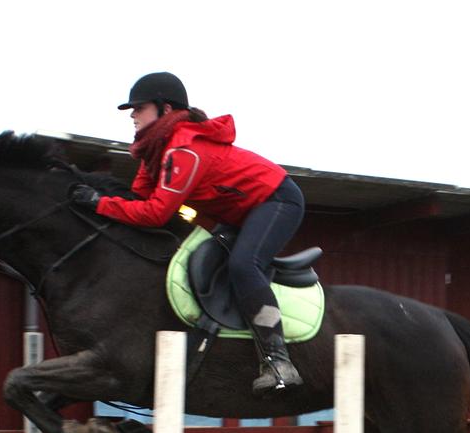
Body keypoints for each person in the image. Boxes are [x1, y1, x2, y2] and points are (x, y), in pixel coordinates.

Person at [69, 71, 306, 397]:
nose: (133, 115)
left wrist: (98, 204)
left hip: (277, 200)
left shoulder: (183, 150)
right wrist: (93, 200)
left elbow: (155, 213)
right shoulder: (155, 152)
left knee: (242, 266)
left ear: (165, 110)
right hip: (239, 212)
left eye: (139, 108)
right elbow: (137, 200)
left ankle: (279, 362)